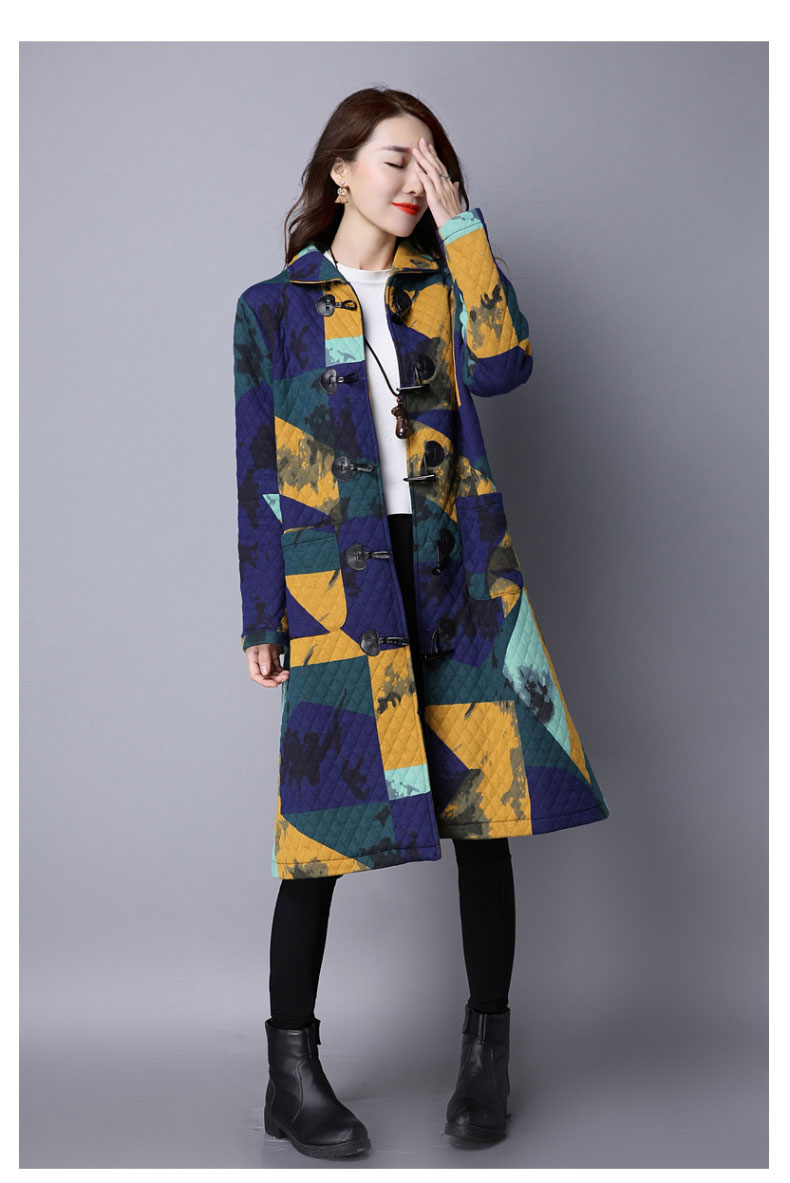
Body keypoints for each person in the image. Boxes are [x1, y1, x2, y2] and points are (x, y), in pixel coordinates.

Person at [232, 86, 610, 1160]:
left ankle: (485, 1061)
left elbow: (503, 365)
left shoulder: (444, 288)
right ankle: (290, 1077)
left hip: (455, 579)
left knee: (484, 822)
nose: (415, 178)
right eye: (397, 159)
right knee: (317, 838)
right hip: (337, 592)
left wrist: (463, 227)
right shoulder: (272, 308)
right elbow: (257, 470)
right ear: (341, 169)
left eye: (433, 161)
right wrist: (263, 613)